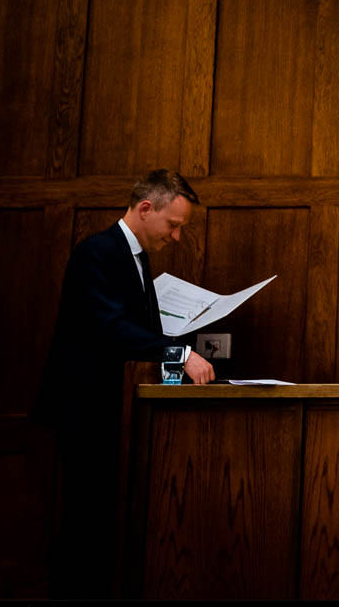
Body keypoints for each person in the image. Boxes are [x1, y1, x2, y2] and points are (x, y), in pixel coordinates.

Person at [32, 168, 214, 597]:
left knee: (102, 526)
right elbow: (109, 328)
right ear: (145, 208)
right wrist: (180, 353)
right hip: (84, 411)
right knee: (83, 526)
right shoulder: (96, 252)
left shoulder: (137, 258)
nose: (175, 238)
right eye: (173, 226)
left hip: (115, 411)